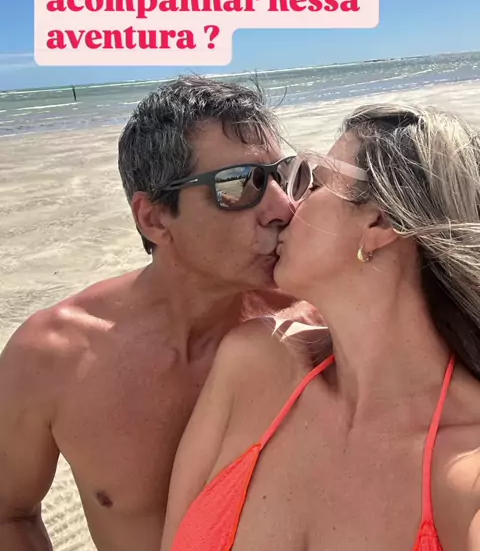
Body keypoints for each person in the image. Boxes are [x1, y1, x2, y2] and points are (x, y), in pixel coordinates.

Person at [0, 76, 324, 551]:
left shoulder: (309, 325)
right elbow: (9, 512)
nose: (283, 205)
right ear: (153, 218)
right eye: (239, 185)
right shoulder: (55, 356)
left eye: (282, 175)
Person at [161, 104, 480, 551]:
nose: (286, 206)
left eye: (312, 182)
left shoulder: (467, 471)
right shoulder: (252, 361)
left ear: (381, 221)